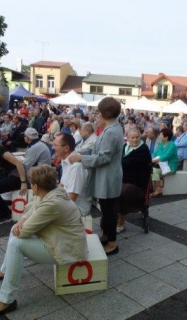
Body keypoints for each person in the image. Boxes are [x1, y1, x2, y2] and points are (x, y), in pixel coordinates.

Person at [0, 165, 88, 318]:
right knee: (15, 231)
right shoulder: (50, 192)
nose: (30, 185)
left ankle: (6, 300)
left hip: (66, 249)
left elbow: (24, 232)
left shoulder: (52, 203)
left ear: (35, 186)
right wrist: (22, 220)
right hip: (59, 239)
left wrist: (20, 225)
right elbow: (31, 208)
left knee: (16, 243)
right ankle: (5, 270)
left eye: (31, 183)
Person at [68, 97, 124, 255]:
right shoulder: (110, 128)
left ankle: (112, 244)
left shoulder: (112, 131)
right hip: (105, 176)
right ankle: (107, 236)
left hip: (108, 177)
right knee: (106, 210)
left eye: (100, 111)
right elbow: (97, 150)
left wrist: (81, 158)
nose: (98, 114)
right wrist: (82, 152)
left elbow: (103, 157)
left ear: (105, 113)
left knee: (108, 211)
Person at [115, 129, 152, 233]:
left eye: (137, 137)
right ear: (127, 138)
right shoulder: (124, 147)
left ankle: (122, 220)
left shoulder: (143, 149)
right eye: (132, 137)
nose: (135, 140)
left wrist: (121, 162)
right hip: (123, 179)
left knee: (122, 193)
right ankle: (113, 216)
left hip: (137, 182)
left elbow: (128, 163)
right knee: (111, 189)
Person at [150, 128, 179, 197]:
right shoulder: (161, 144)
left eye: (161, 135)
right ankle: (154, 187)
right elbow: (154, 153)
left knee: (154, 170)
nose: (159, 136)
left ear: (166, 137)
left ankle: (158, 189)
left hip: (169, 166)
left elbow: (165, 157)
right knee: (150, 169)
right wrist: (151, 158)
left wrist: (152, 160)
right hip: (160, 165)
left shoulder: (172, 146)